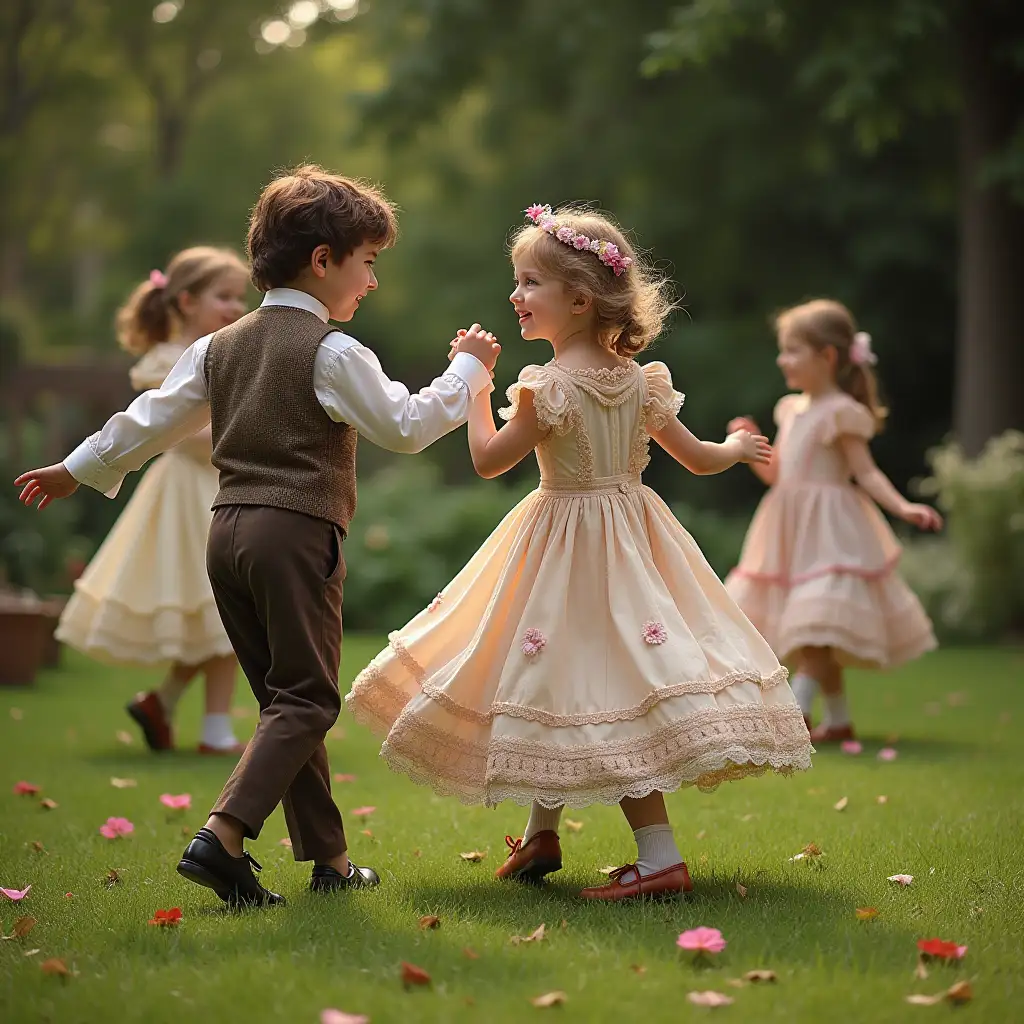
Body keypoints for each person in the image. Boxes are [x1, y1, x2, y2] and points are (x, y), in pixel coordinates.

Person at [15, 165, 501, 906]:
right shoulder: (332, 352)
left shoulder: (219, 346)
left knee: (287, 700)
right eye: (368, 263)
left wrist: (75, 469)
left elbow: (149, 419)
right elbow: (404, 427)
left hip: (227, 533)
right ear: (323, 260)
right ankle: (224, 835)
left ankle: (330, 863)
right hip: (295, 535)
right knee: (307, 700)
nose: (371, 282)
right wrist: (466, 370)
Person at [347, 203, 812, 902]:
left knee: (594, 687)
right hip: (636, 544)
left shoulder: (547, 387)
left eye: (530, 282)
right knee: (567, 684)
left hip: (564, 547)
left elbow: (486, 461)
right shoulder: (639, 379)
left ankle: (659, 858)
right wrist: (738, 450)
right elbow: (697, 459)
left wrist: (473, 385)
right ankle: (542, 833)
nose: (516, 296)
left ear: (579, 299)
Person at [57, 247, 249, 755]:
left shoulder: (230, 354)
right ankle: (211, 728)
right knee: (222, 608)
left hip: (219, 486)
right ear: (186, 301)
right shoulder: (167, 362)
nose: (235, 308)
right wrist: (249, 434)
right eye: (222, 297)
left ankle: (164, 705)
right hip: (187, 492)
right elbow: (178, 434)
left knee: (220, 612)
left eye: (239, 298)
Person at [724, 298, 941, 742]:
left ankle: (797, 710)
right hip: (787, 532)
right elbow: (776, 474)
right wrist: (746, 447)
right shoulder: (790, 409)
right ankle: (838, 720)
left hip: (831, 534)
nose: (782, 360)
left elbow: (866, 474)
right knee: (813, 633)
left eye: (792, 350)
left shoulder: (842, 412)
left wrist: (903, 507)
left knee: (819, 624)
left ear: (827, 356)